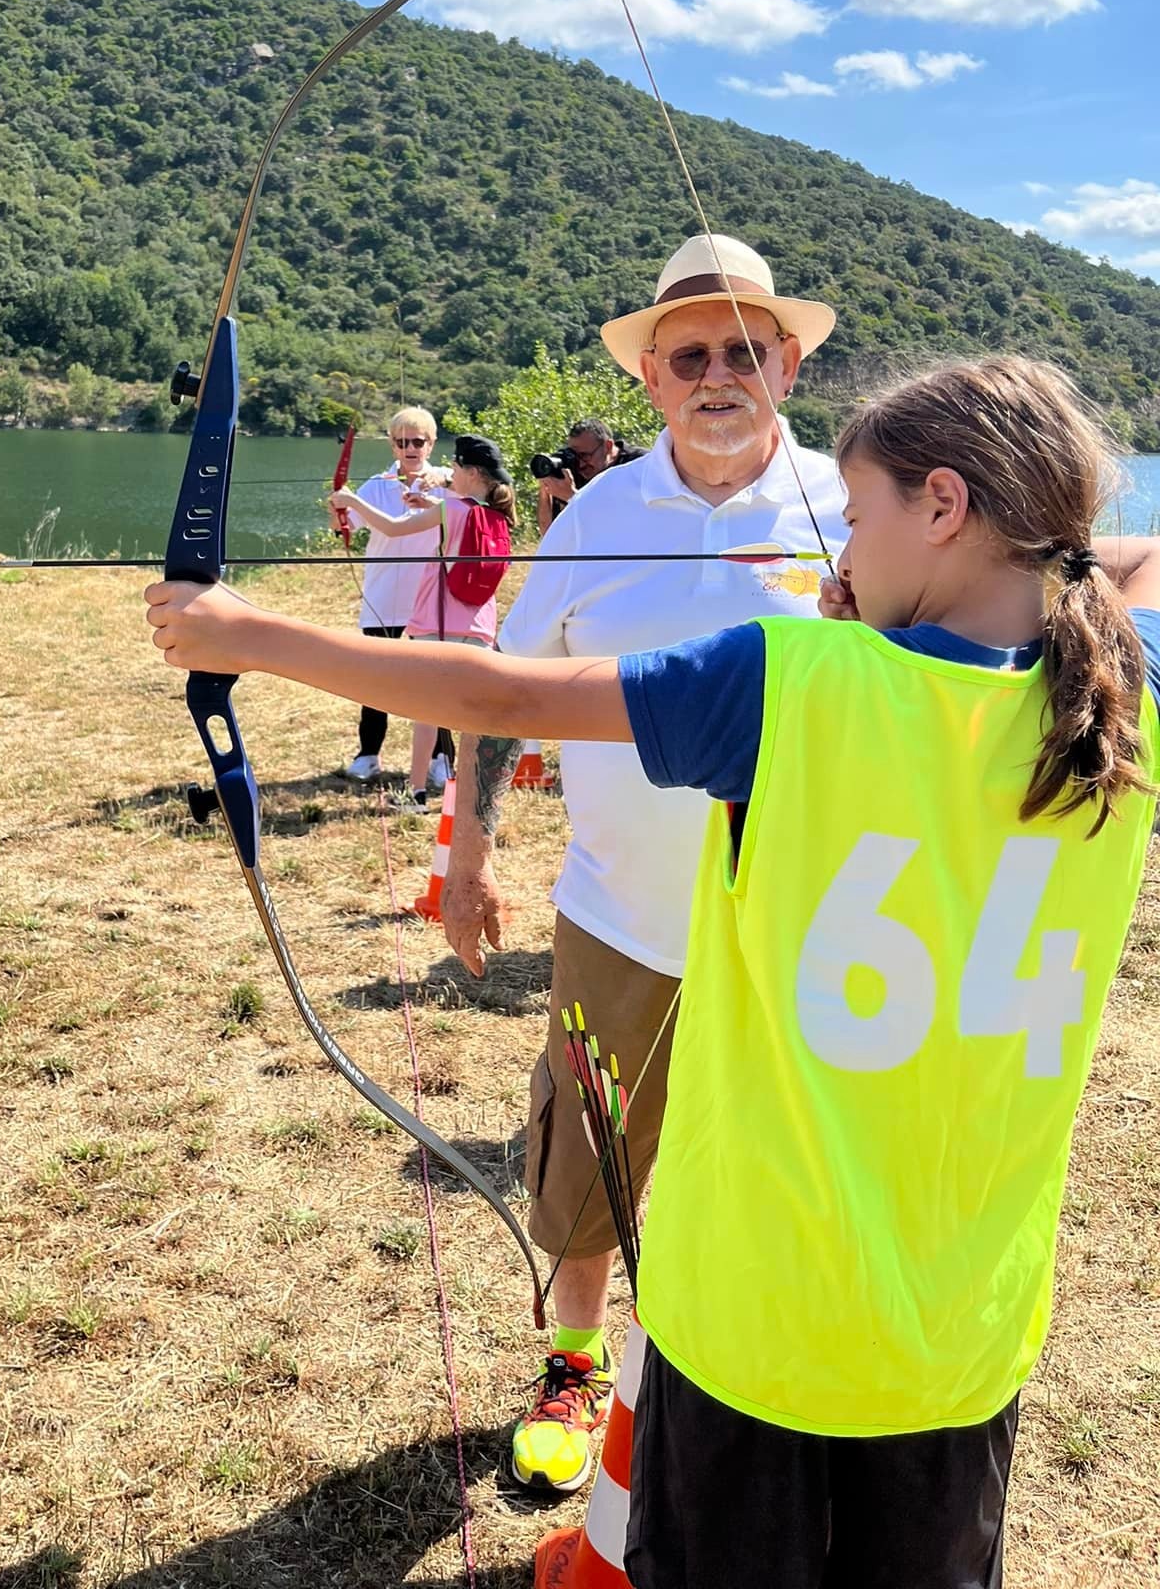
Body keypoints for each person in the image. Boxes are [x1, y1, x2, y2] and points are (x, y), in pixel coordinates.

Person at [147, 354, 1160, 1589]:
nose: (840, 539)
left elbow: (491, 687)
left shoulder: (790, 676)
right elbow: (1132, 563)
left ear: (944, 505)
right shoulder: (1124, 690)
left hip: (753, 1324)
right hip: (960, 1336)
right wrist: (1036, 570)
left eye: (860, 508)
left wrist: (242, 632)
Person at [447, 235, 847, 1495]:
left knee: (787, 1164)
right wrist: (469, 852)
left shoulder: (862, 501)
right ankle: (573, 1360)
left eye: (745, 350)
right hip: (621, 912)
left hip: (810, 922)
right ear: (652, 381)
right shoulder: (596, 515)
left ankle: (751, 1380)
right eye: (692, 354)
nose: (720, 372)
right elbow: (496, 694)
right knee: (591, 1150)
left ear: (786, 364)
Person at [332, 433, 515, 811]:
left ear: (470, 471)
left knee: (427, 710)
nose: (451, 472)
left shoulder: (451, 509)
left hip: (439, 621)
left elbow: (394, 528)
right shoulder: (498, 514)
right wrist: (429, 501)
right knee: (473, 710)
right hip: (479, 622)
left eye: (456, 466)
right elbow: (461, 515)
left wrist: (351, 501)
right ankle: (474, 792)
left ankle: (415, 793)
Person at [331, 406, 456, 788]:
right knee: (377, 678)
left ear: (432, 443)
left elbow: (476, 509)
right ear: (393, 444)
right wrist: (338, 506)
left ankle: (441, 758)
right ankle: (369, 753)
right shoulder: (375, 485)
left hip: (430, 595)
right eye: (402, 442)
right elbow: (344, 526)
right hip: (383, 595)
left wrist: (443, 487)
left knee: (436, 678)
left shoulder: (448, 482)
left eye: (418, 441)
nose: (410, 448)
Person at [535, 418, 644, 534]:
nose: (581, 464)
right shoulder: (572, 469)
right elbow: (548, 532)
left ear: (608, 446)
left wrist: (572, 497)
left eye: (585, 455)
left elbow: (628, 523)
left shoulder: (639, 465)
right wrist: (545, 490)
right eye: (575, 456)